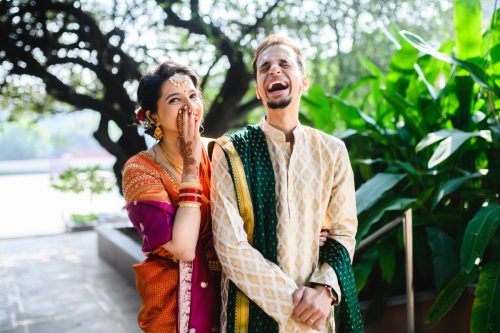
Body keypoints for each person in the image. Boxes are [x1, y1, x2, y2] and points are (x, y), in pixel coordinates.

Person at [210, 35, 363, 333]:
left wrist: (324, 291)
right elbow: (229, 245)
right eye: (265, 67)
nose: (274, 71)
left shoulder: (331, 151)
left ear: (303, 81)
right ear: (258, 90)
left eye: (284, 64)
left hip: (319, 315)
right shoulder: (230, 152)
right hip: (251, 313)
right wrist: (296, 306)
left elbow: (344, 231)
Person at [121, 61, 220, 333]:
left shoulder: (220, 153)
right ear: (152, 115)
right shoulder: (140, 169)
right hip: (174, 303)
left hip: (229, 291)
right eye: (175, 100)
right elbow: (183, 249)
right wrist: (190, 164)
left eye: (193, 96)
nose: (189, 107)